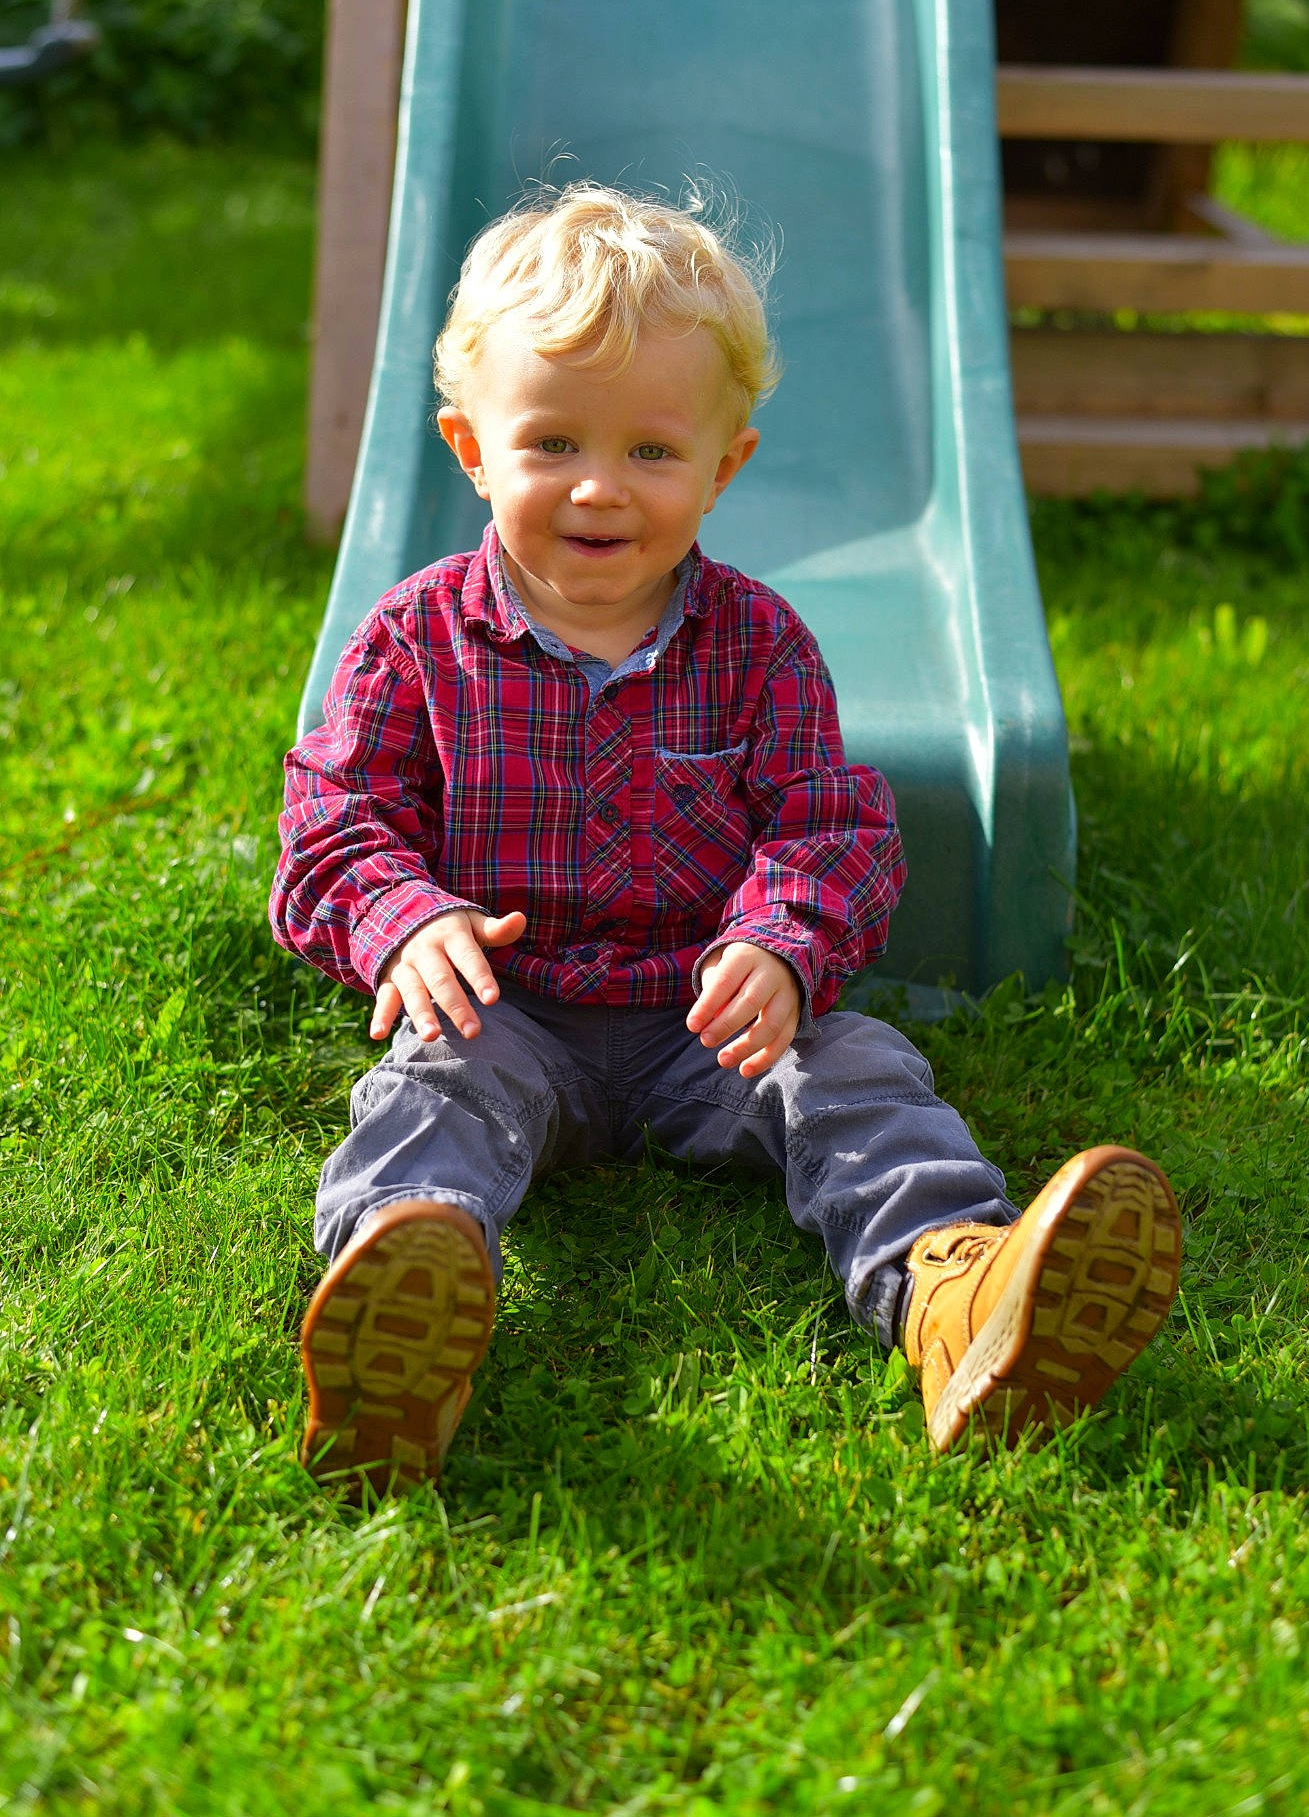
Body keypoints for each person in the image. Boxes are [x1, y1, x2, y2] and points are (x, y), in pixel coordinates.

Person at [270, 184, 1181, 1492]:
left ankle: (956, 1300)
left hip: (711, 1029)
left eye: (651, 452)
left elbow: (829, 826)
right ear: (472, 449)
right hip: (506, 1012)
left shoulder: (757, 646)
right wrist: (405, 918)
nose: (598, 485)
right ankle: (405, 1300)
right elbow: (333, 822)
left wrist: (781, 945)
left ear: (725, 465)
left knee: (857, 1069)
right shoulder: (414, 642)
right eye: (550, 444)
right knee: (431, 1095)